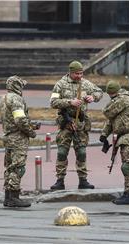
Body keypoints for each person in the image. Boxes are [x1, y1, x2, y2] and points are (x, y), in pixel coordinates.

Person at [50, 60, 103, 190]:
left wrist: (93, 97)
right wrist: (69, 102)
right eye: (77, 73)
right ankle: (60, 180)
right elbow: (53, 102)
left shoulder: (85, 83)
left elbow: (99, 92)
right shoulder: (60, 84)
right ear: (70, 72)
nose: (79, 76)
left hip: (80, 123)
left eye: (81, 73)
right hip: (66, 123)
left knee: (81, 152)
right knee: (62, 152)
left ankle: (83, 180)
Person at [100, 80, 129, 205]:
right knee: (127, 165)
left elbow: (107, 112)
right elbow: (111, 120)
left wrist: (112, 101)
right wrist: (104, 135)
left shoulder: (123, 99)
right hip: (124, 137)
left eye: (111, 94)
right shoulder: (118, 101)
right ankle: (128, 192)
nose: (110, 96)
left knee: (127, 166)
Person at [0, 75, 40, 208]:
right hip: (18, 139)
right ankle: (14, 197)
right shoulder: (16, 99)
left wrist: (31, 125)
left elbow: (12, 119)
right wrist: (31, 132)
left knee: (10, 166)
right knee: (18, 167)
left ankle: (7, 196)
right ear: (17, 86)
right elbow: (20, 120)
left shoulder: (4, 98)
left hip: (8, 136)